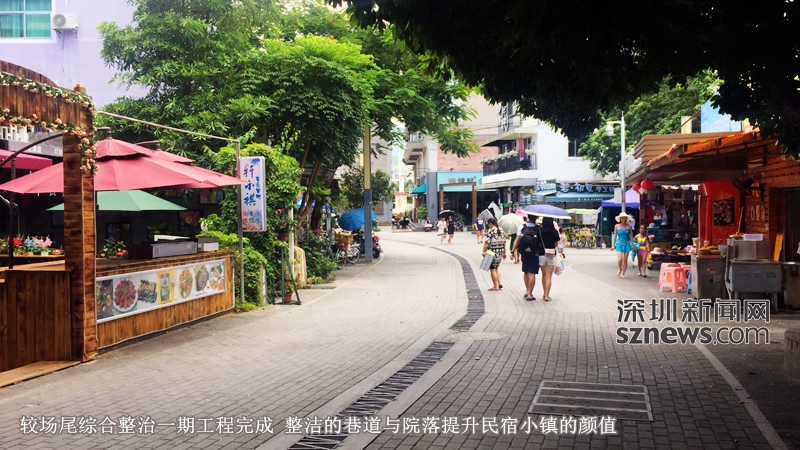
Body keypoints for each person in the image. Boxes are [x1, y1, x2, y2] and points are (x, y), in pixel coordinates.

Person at [511, 215, 543, 301]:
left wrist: (513, 251)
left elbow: (517, 240)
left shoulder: (522, 227)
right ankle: (530, 294)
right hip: (534, 253)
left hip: (524, 252)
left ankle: (527, 290)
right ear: (536, 218)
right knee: (532, 273)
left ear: (528, 217)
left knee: (526, 272)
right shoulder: (538, 228)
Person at [538, 217, 561, 301]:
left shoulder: (540, 231)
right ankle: (547, 296)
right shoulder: (554, 232)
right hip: (551, 254)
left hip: (541, 254)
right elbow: (556, 244)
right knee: (549, 276)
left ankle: (544, 293)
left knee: (543, 275)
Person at [482, 218, 506, 290]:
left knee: (492, 269)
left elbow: (487, 242)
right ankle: (500, 283)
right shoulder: (501, 231)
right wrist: (504, 252)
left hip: (491, 251)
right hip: (500, 251)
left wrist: (483, 251)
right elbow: (504, 243)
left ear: (490, 224)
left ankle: (495, 286)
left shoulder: (491, 231)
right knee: (496, 268)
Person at [612, 213, 635, 277]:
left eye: (624, 218)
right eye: (622, 218)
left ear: (626, 219)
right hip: (619, 243)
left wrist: (632, 245)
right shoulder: (617, 226)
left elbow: (631, 236)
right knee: (619, 259)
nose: (623, 219)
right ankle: (620, 268)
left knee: (625, 260)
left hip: (627, 243)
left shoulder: (629, 227)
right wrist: (613, 245)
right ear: (620, 219)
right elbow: (615, 236)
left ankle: (623, 273)